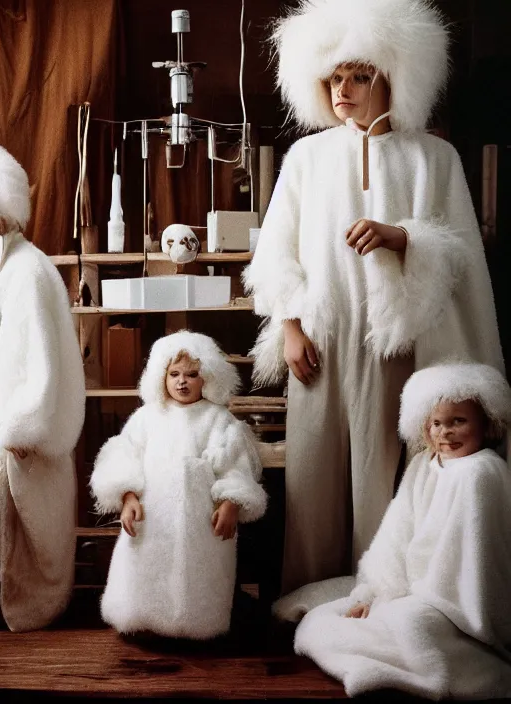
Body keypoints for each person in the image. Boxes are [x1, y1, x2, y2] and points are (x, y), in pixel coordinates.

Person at [243, 0, 504, 595]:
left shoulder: (433, 157)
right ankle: (311, 593)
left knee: (391, 465)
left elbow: (460, 254)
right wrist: (290, 327)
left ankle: (383, 594)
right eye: (335, 77)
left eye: (360, 75)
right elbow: (277, 250)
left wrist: (401, 237)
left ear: (395, 77)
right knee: (315, 473)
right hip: (322, 340)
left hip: (399, 344)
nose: (344, 89)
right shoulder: (306, 158)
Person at [273, 363, 511, 699]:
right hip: (415, 588)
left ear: (485, 423)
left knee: (411, 622)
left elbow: (473, 559)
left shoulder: (482, 472)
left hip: (452, 601)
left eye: (459, 421)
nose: (446, 433)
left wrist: (421, 595)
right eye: (436, 423)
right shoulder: (423, 465)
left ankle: (416, 657)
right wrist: (375, 590)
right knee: (326, 614)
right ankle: (380, 635)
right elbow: (397, 533)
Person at [90, 331, 267, 639]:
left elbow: (235, 466)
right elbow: (123, 455)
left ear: (208, 377)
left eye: (192, 374)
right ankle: (141, 618)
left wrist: (230, 503)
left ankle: (196, 625)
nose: (182, 381)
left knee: (197, 575)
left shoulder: (218, 419)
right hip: (152, 516)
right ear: (161, 376)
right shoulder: (147, 418)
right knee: (146, 568)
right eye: (174, 374)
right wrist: (128, 496)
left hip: (201, 521)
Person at [0, 145, 86, 631]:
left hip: (21, 434)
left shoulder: (27, 272)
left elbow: (43, 359)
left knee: (29, 535)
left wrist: (24, 424)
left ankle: (28, 606)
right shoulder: (7, 271)